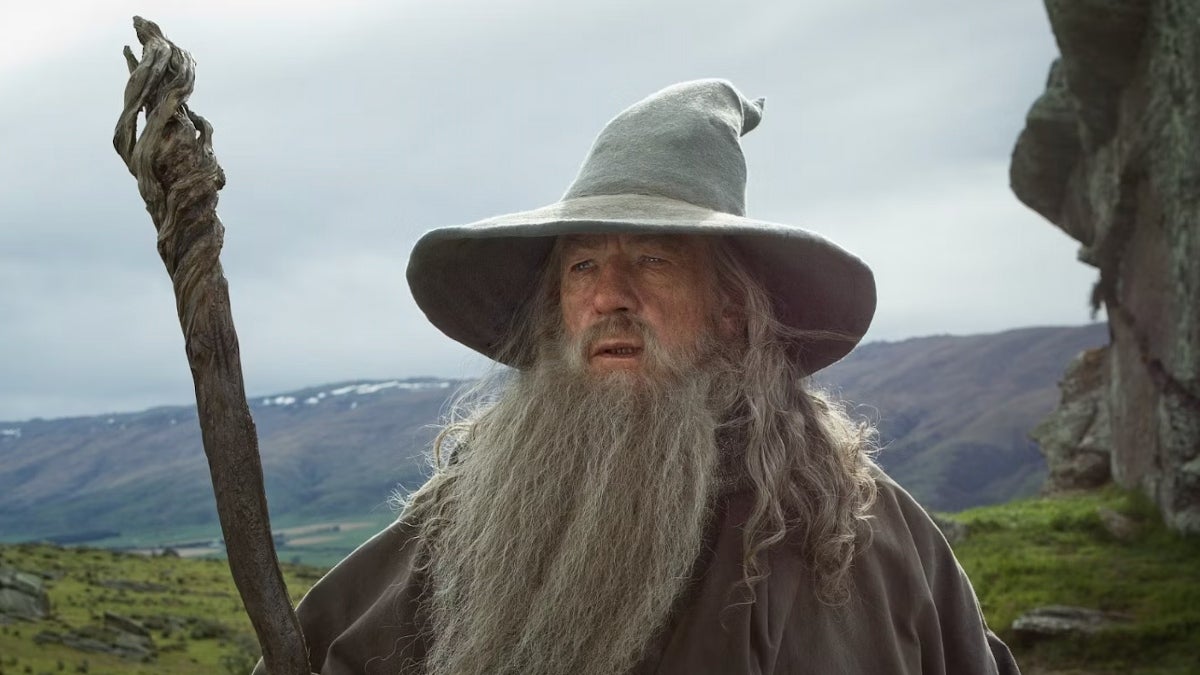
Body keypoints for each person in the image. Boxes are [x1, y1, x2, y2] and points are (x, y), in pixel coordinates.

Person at [261, 79, 1020, 674]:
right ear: (557, 309)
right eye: (583, 265)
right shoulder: (478, 513)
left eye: (653, 260)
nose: (609, 296)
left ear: (730, 307)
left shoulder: (862, 532)